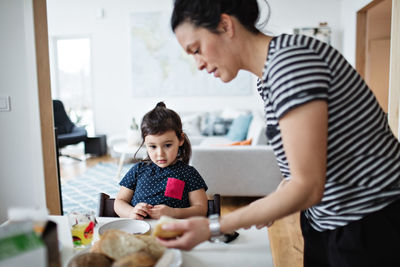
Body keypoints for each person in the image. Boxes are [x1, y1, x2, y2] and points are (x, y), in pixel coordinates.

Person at [157, 0, 400, 266]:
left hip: (368, 220)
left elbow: (308, 186)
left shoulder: (292, 63)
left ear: (225, 25)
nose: (199, 65)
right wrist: (279, 196)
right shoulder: (270, 75)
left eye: (197, 49)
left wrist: (214, 226)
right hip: (326, 220)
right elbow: (314, 161)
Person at [114, 102, 208, 220]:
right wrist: (131, 212)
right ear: (145, 144)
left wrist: (174, 213)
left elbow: (201, 209)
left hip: (173, 232)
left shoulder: (189, 173)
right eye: (153, 147)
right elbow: (119, 201)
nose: (160, 154)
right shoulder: (138, 170)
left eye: (167, 145)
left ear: (180, 140)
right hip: (139, 231)